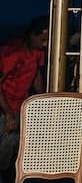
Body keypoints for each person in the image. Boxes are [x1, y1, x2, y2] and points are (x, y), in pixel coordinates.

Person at [0, 16, 48, 182]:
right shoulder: (13, 52)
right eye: (42, 39)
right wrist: (8, 114)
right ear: (31, 36)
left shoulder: (37, 51)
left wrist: (44, 99)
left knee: (18, 147)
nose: (45, 44)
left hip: (21, 105)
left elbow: (35, 75)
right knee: (8, 146)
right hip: (5, 106)